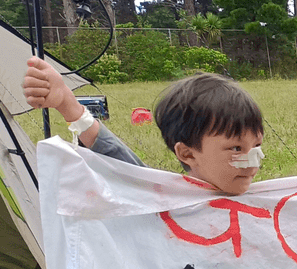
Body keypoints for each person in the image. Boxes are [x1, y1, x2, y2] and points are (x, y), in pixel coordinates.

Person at [21, 57, 264, 189]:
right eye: (236, 149)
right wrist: (67, 104)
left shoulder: (266, 200)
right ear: (187, 154)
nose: (254, 162)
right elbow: (122, 161)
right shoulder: (161, 197)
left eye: (256, 147)